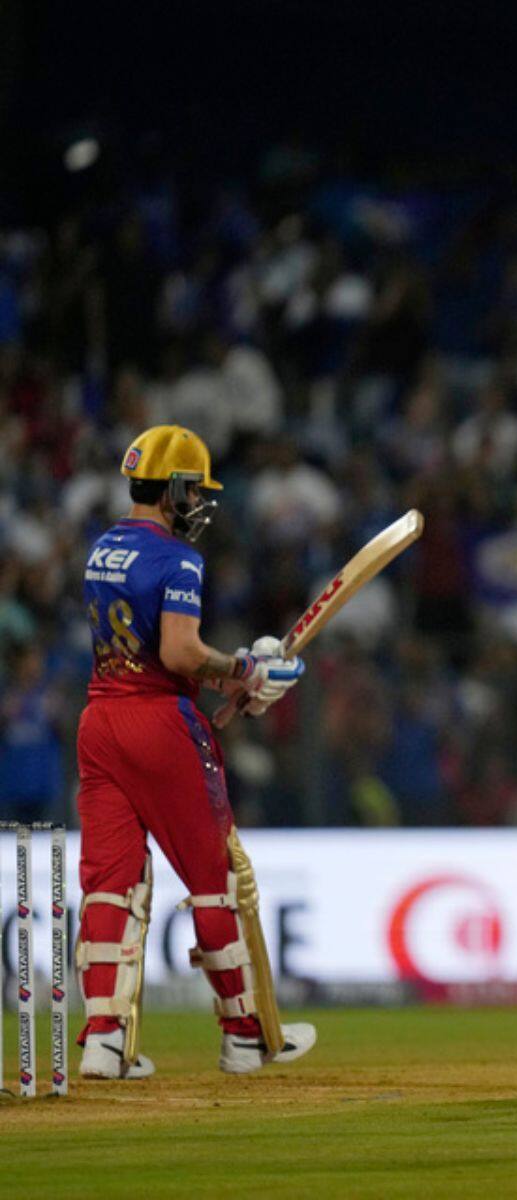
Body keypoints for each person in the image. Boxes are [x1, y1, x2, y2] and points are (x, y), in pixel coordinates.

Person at [75, 424, 316, 1079]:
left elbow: (152, 655)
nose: (198, 503)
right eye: (194, 490)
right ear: (175, 488)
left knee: (112, 882)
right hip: (159, 725)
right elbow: (179, 654)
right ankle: (244, 1038)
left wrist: (232, 684)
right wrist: (244, 669)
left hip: (100, 721)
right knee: (217, 879)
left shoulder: (103, 549)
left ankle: (103, 1041)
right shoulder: (179, 559)